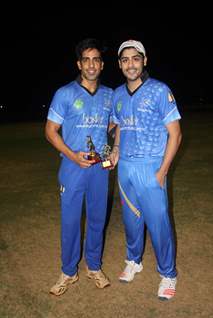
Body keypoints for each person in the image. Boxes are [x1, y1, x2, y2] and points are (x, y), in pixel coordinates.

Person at [111, 40, 182, 300]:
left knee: (158, 223)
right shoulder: (118, 94)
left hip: (151, 165)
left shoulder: (160, 90)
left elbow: (175, 134)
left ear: (144, 61)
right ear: (120, 64)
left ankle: (168, 274)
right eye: (125, 59)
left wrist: (162, 170)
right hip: (126, 168)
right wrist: (116, 147)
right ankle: (134, 261)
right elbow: (118, 124)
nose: (131, 64)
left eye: (135, 58)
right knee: (131, 220)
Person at [45, 38, 114, 296]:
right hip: (72, 168)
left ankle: (94, 267)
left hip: (98, 169)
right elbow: (50, 132)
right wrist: (73, 155)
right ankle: (68, 271)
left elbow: (112, 126)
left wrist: (106, 155)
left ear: (102, 64)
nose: (91, 64)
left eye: (96, 59)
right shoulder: (64, 93)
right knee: (71, 221)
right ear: (79, 64)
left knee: (97, 219)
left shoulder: (109, 95)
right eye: (86, 60)